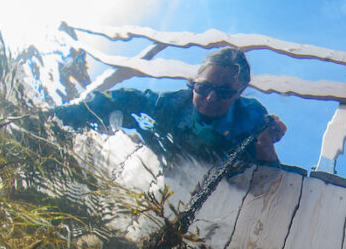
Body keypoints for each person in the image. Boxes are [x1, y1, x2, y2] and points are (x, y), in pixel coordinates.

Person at [54, 47, 286, 163]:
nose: (211, 98)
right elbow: (125, 99)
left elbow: (268, 176)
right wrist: (63, 115)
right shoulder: (172, 104)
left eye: (224, 92)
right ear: (193, 82)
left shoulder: (253, 117)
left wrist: (265, 145)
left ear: (240, 91)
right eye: (203, 88)